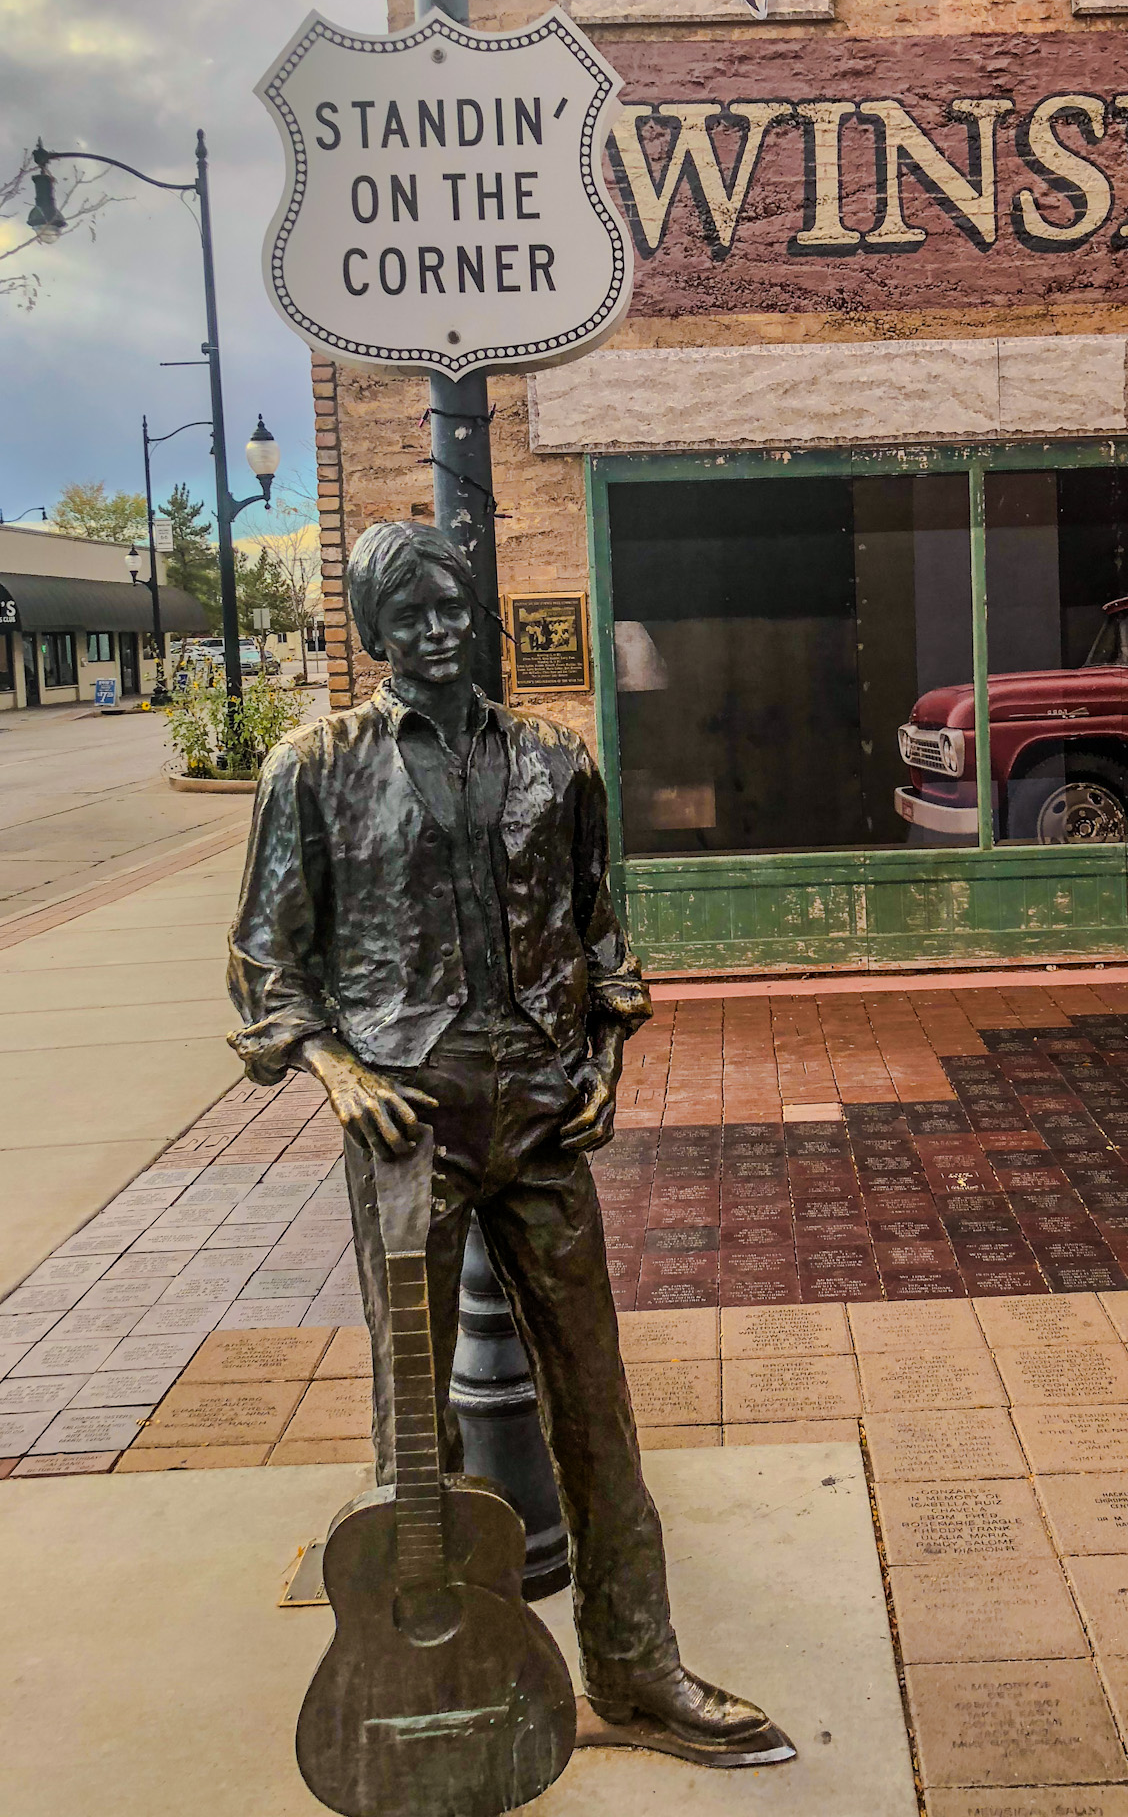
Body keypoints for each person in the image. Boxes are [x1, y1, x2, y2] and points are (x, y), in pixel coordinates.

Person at [227, 520, 790, 1767]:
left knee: (596, 1403)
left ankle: (637, 1667)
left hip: (541, 1112)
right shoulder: (313, 768)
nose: (436, 631)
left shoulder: (555, 756)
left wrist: (605, 1060)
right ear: (372, 633)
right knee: (412, 1428)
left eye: (450, 608)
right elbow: (267, 958)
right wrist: (335, 1069)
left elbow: (598, 932)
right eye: (408, 615)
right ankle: (429, 1672)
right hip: (407, 1120)